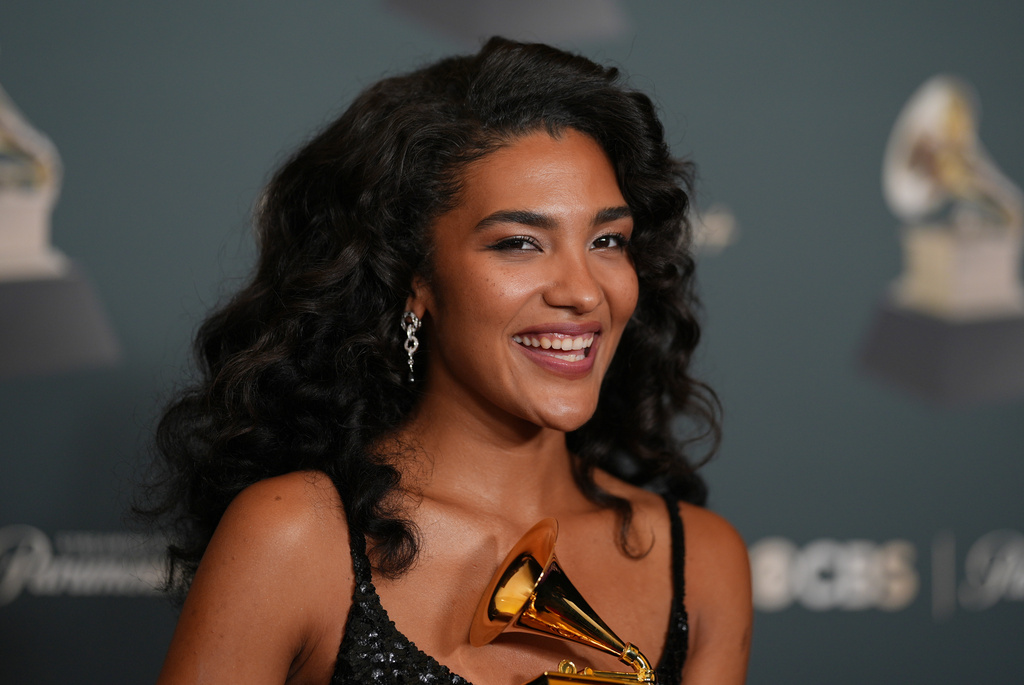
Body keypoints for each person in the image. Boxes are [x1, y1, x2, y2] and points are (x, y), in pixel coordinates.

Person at [143, 37, 752, 685]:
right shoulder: (296, 535)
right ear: (417, 278)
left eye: (607, 240)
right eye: (519, 242)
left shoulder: (703, 563)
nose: (582, 291)